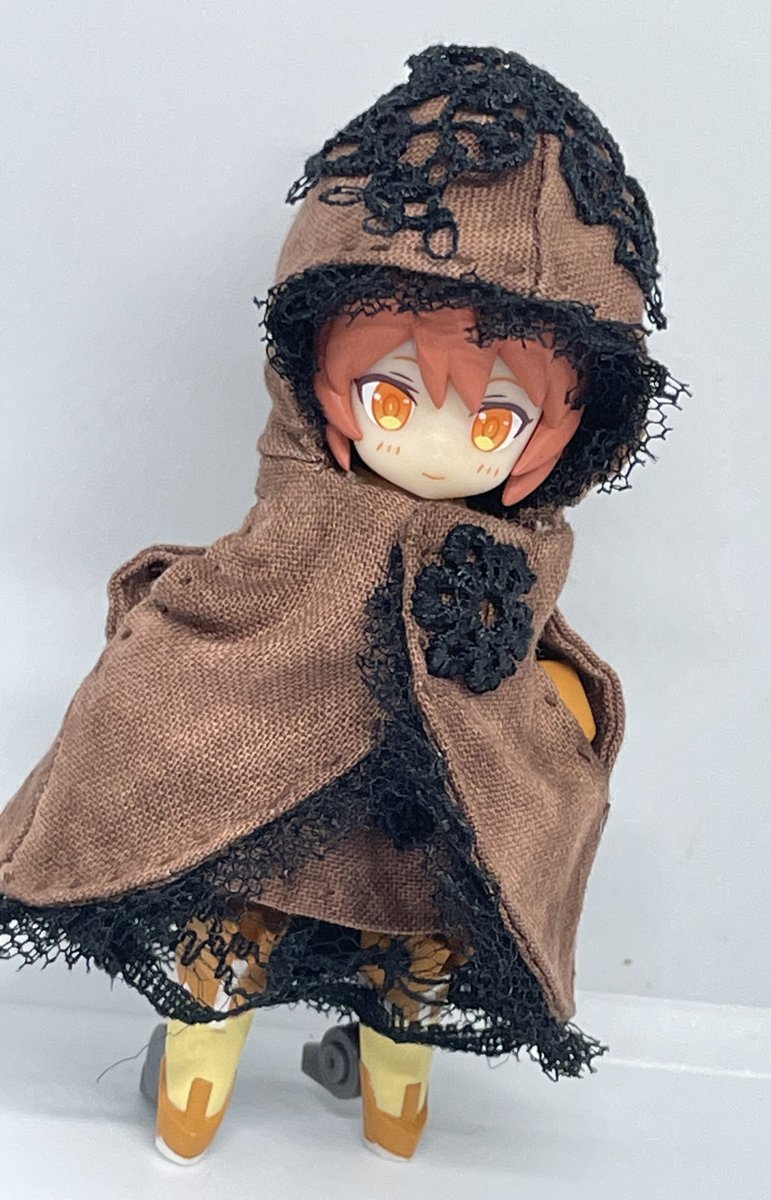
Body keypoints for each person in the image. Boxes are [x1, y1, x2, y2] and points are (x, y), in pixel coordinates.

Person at [0, 43, 683, 1164]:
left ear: (568, 434)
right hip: (306, 838)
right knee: (255, 958)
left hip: (406, 856)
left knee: (380, 982)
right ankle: (223, 1100)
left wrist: (547, 703)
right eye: (390, 396)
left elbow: (520, 690)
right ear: (312, 367)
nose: (437, 444)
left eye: (495, 420)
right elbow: (212, 635)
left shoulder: (515, 563)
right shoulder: (304, 532)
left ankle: (352, 1107)